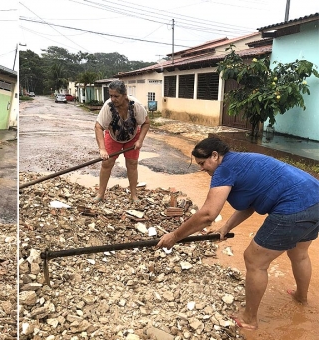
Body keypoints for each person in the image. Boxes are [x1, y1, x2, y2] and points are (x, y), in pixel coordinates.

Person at [156, 137, 319, 330]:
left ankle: (250, 319)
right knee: (298, 254)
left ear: (215, 156)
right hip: (315, 197)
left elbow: (208, 214)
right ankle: (301, 297)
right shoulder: (242, 160)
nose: (201, 169)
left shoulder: (223, 170)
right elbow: (249, 203)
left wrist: (174, 236)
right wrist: (226, 227)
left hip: (294, 205)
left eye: (202, 163)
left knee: (254, 259)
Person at [94, 79, 150, 203]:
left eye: (116, 96)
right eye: (111, 95)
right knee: (106, 163)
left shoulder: (136, 105)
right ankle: (100, 194)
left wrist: (140, 141)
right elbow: (98, 126)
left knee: (132, 164)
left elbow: (146, 123)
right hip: (113, 136)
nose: (113, 99)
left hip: (132, 136)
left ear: (124, 95)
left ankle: (134, 195)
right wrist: (102, 149)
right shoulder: (108, 106)